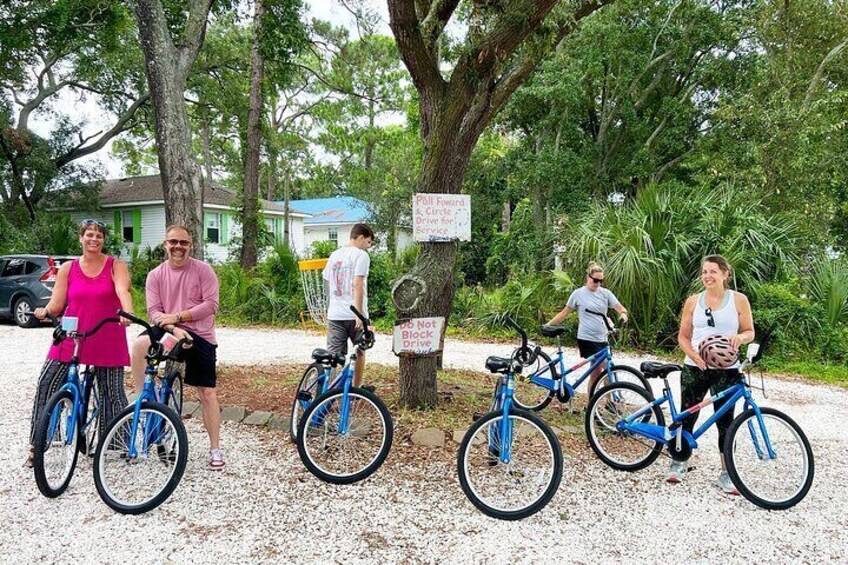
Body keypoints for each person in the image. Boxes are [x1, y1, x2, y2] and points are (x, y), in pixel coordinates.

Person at [26, 219, 133, 467]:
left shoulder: (115, 265)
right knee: (47, 383)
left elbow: (123, 290)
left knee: (112, 392)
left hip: (106, 331)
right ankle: (37, 444)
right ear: (81, 238)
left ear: (103, 240)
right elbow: (58, 303)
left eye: (99, 235)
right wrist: (45, 311)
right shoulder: (68, 268)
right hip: (72, 334)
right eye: (89, 235)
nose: (94, 239)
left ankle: (116, 442)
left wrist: (126, 313)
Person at [131, 225, 223, 470]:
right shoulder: (155, 275)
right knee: (140, 344)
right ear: (165, 244)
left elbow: (211, 304)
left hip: (200, 334)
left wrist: (179, 317)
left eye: (183, 242)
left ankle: (215, 448)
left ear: (190, 245)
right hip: (170, 329)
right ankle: (143, 397)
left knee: (207, 393)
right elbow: (153, 311)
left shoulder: (203, 270)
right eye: (173, 242)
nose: (178, 247)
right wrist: (174, 328)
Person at [669, 254, 755, 494]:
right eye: (704, 271)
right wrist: (694, 356)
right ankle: (679, 461)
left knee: (726, 422)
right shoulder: (693, 301)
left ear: (725, 274)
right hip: (695, 366)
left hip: (726, 370)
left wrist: (739, 338)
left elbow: (750, 332)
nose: (707, 276)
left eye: (713, 271)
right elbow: (683, 337)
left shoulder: (739, 300)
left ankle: (727, 473)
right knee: (686, 415)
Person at [545, 262, 629, 394]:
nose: (598, 284)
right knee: (606, 369)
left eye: (601, 281)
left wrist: (623, 315)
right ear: (588, 277)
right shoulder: (578, 294)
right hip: (587, 338)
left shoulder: (605, 293)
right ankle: (611, 401)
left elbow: (620, 308)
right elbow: (564, 313)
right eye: (595, 280)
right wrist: (548, 325)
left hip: (602, 338)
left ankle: (592, 405)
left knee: (596, 374)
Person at [322, 223, 374, 387]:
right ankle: (355, 389)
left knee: (334, 356)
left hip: (335, 314)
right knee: (359, 351)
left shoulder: (334, 255)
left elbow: (327, 281)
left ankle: (328, 393)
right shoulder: (361, 256)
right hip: (355, 315)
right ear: (360, 237)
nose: (368, 247)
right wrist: (359, 314)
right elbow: (357, 284)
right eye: (368, 242)